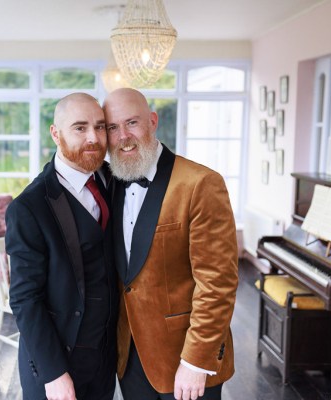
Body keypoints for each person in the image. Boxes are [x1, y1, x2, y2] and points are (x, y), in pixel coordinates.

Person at [102, 88, 238, 400]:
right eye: (112, 127)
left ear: (152, 121)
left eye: (132, 122)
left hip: (186, 359)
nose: (123, 136)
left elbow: (218, 282)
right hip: (130, 356)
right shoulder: (111, 182)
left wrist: (195, 360)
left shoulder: (201, 183)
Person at [5, 92, 118, 400]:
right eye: (80, 128)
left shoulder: (111, 179)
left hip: (105, 357)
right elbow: (25, 298)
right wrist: (54, 373)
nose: (93, 138)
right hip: (59, 362)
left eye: (99, 126)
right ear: (56, 133)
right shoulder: (29, 207)